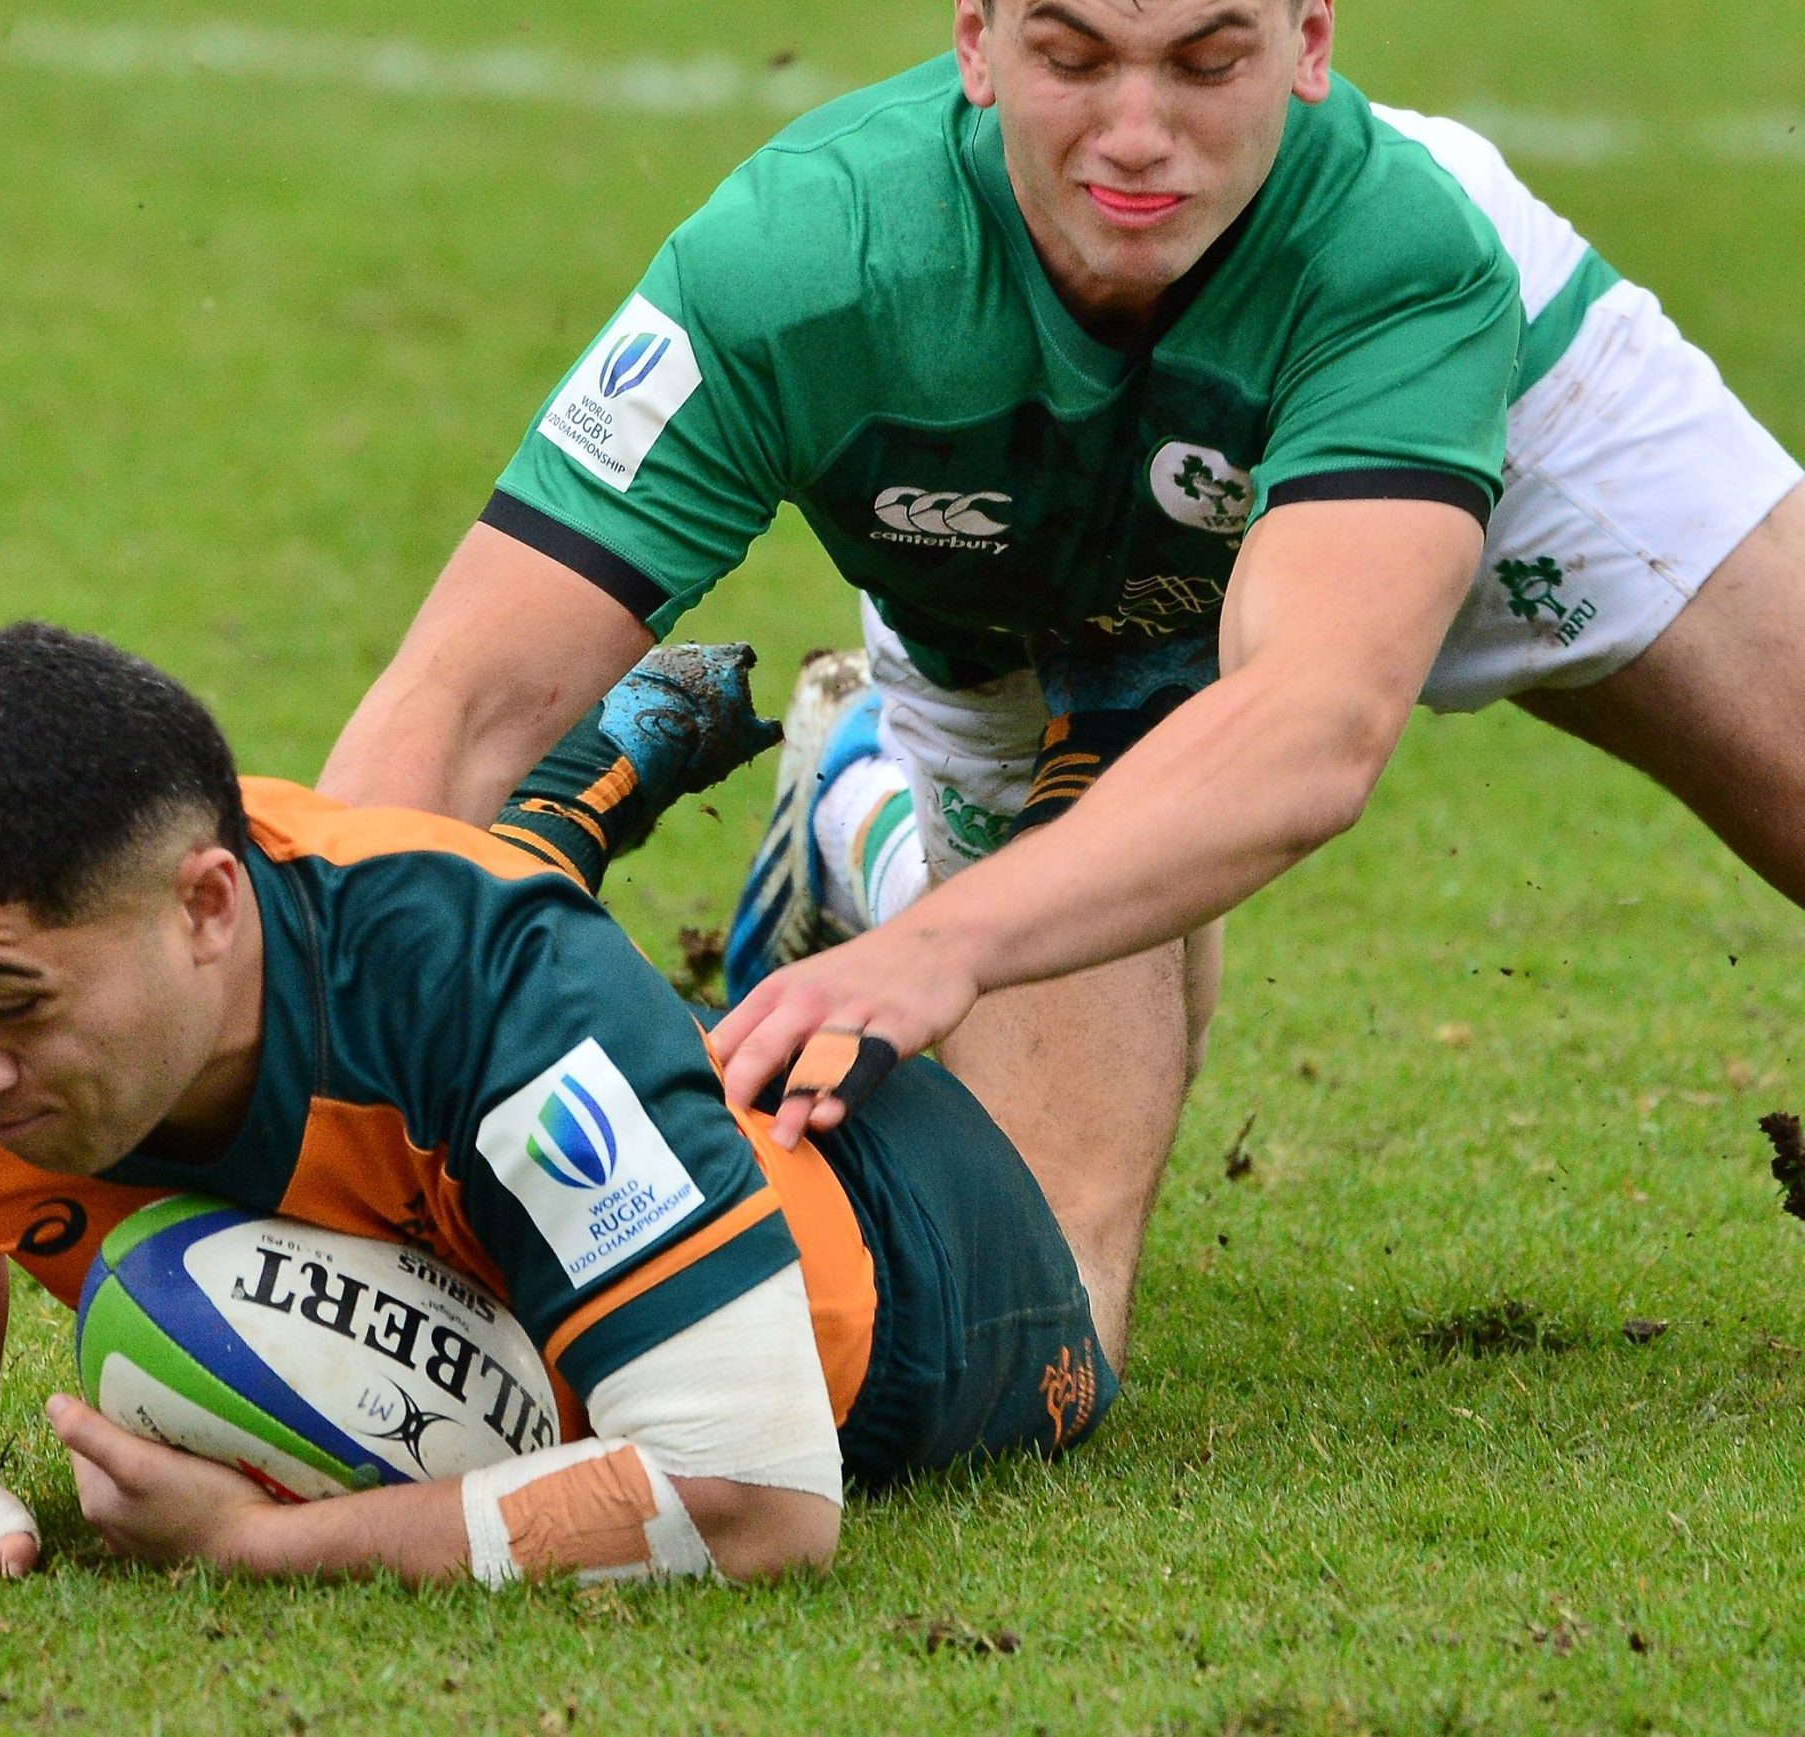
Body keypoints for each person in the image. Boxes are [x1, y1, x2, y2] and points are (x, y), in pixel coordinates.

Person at [316, 0, 1804, 1363]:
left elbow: (1309, 727)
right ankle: (875, 816)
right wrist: (308, 1148)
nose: (1137, 131)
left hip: (1471, 425)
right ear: (975, 43)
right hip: (1027, 604)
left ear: (1307, 43)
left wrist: (946, 951)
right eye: (1074, 58)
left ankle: (899, 864)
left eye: (1208, 63)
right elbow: (452, 707)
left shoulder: (1407, 253)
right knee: (1032, 1315)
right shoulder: (803, 256)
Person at [0, 623, 1113, 1587]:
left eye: (13, 1008)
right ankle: (557, 826)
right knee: (489, 1000)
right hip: (537, 1074)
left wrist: (257, 1546)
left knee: (499, 991)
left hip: (892, 1244)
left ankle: (858, 802)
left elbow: (757, 1502)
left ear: (207, 905)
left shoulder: (497, 998)